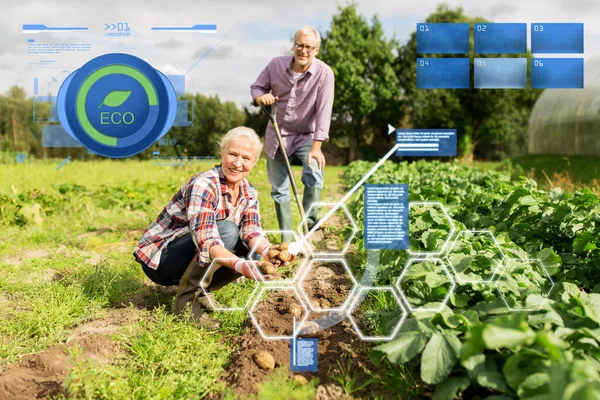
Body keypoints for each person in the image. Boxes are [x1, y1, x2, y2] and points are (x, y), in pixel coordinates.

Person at [133, 127, 278, 330]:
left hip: (192, 253)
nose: (237, 163)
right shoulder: (205, 184)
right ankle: (185, 303)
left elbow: (252, 231)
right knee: (227, 231)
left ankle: (202, 292)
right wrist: (239, 266)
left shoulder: (249, 191)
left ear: (254, 162)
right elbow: (206, 240)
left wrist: (269, 251)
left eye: (246, 158)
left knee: (252, 251)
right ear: (222, 152)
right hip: (161, 260)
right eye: (233, 154)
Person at [251, 26, 335, 241]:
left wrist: (317, 147)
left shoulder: (324, 73)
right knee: (279, 188)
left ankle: (309, 223)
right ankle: (286, 239)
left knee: (314, 173)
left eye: (308, 46)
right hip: (277, 134)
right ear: (294, 45)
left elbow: (324, 110)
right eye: (299, 45)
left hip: (306, 135)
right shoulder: (276, 65)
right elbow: (257, 87)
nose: (303, 50)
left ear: (316, 49)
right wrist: (261, 98)